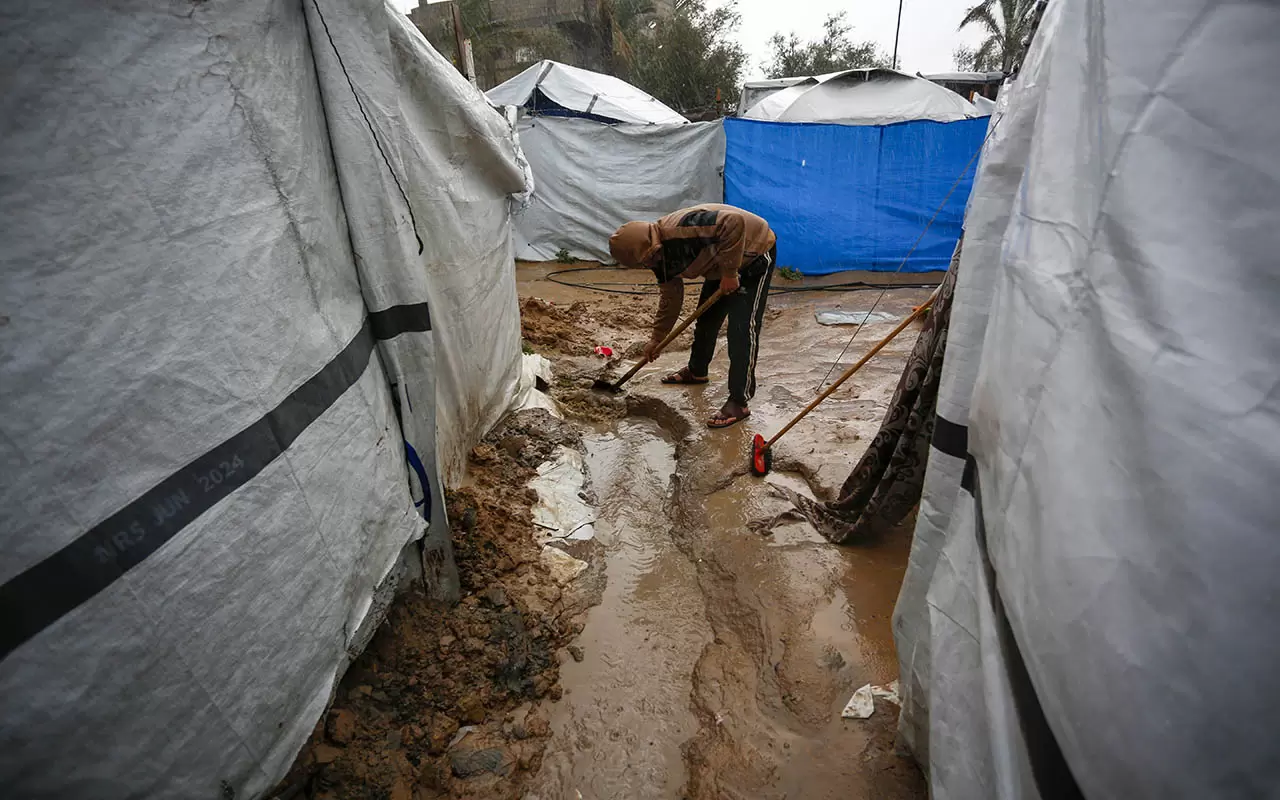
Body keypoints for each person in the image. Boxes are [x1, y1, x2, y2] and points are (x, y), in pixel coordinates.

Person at [608, 204, 777, 428]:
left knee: (741, 330)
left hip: (753, 254)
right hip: (723, 259)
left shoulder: (683, 228)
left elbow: (734, 222)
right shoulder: (657, 257)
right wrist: (657, 338)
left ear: (651, 243)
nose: (651, 263)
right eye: (646, 262)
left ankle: (739, 401)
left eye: (650, 257)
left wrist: (729, 273)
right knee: (706, 320)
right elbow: (671, 296)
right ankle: (697, 371)